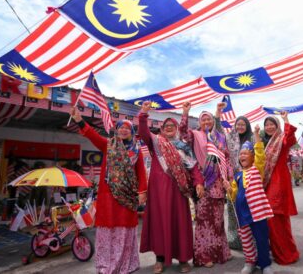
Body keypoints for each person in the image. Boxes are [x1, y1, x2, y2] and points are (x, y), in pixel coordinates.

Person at [70, 107, 147, 274]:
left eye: (127, 128)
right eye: (121, 127)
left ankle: (126, 264)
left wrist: (142, 192)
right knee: (107, 227)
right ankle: (106, 265)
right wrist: (79, 120)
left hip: (128, 196)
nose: (124, 130)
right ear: (117, 130)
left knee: (125, 229)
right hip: (108, 195)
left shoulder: (136, 151)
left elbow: (141, 173)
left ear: (131, 132)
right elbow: (93, 136)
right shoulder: (108, 145)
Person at [138, 101, 205, 274]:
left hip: (178, 192)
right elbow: (143, 132)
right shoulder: (155, 142)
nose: (168, 127)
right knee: (159, 224)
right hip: (158, 193)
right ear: (161, 129)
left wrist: (198, 182)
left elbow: (193, 167)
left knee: (180, 223)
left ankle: (183, 259)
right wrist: (143, 115)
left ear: (175, 128)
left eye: (171, 125)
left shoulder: (183, 146)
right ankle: (159, 259)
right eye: (166, 125)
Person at [180, 101, 231, 267]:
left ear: (213, 121)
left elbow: (226, 158)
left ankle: (220, 253)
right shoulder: (194, 134)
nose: (206, 122)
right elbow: (182, 132)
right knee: (203, 220)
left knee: (217, 220)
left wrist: (227, 179)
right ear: (199, 122)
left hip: (218, 182)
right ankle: (204, 256)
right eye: (203, 120)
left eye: (209, 119)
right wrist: (185, 113)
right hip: (202, 180)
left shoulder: (220, 137)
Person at [228, 125, 274, 274]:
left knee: (261, 239)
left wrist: (256, 134)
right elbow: (234, 195)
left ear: (253, 157)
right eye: (241, 154)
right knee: (246, 241)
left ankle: (265, 264)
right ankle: (250, 262)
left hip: (257, 213)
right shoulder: (237, 176)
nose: (242, 156)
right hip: (242, 214)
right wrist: (228, 188)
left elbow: (260, 153)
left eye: (246, 153)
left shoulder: (257, 169)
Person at [262, 111, 300, 265]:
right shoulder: (266, 143)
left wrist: (286, 119)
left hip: (279, 182)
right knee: (273, 220)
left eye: (272, 124)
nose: (269, 127)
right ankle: (282, 252)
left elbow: (290, 139)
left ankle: (287, 254)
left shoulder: (281, 140)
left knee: (277, 218)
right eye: (267, 125)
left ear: (277, 126)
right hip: (268, 183)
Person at [224, 116, 254, 250]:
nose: (240, 127)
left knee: (248, 210)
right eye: (238, 124)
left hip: (248, 177)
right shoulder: (230, 138)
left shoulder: (252, 138)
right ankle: (234, 240)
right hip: (233, 177)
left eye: (243, 124)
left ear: (247, 126)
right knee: (232, 209)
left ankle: (251, 240)